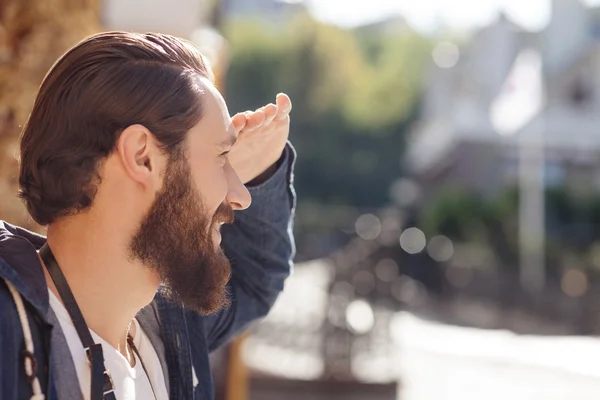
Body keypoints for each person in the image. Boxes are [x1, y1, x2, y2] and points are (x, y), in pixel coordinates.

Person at [0, 31, 295, 400]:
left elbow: (251, 279)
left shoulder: (169, 331)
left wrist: (261, 168)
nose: (240, 197)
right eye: (222, 158)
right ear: (142, 156)